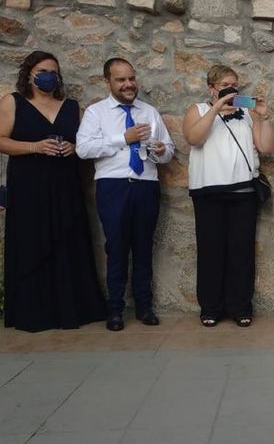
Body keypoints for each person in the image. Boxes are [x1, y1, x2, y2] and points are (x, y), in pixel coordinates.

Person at [0, 51, 106, 332]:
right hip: (28, 185)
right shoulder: (13, 102)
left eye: (54, 72)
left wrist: (74, 149)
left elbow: (86, 144)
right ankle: (33, 312)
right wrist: (34, 147)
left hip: (65, 184)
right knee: (31, 242)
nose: (49, 76)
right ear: (30, 74)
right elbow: (1, 140)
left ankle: (72, 309)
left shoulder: (71, 107)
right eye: (43, 70)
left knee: (67, 240)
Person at [76, 58, 174, 331]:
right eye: (121, 79)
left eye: (131, 78)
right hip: (113, 186)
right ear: (108, 82)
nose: (128, 84)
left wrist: (158, 150)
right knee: (116, 247)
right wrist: (124, 138)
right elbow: (83, 149)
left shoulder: (149, 111)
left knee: (144, 247)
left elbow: (168, 151)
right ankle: (115, 310)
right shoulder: (97, 113)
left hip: (146, 184)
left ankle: (145, 307)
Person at [182, 65, 274, 328]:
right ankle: (210, 308)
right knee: (210, 251)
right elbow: (194, 138)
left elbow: (267, 147)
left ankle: (240, 307)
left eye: (234, 83)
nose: (231, 87)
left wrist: (262, 116)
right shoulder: (198, 110)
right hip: (207, 192)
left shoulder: (247, 114)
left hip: (243, 192)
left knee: (241, 252)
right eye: (225, 83)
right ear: (212, 88)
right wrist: (216, 108)